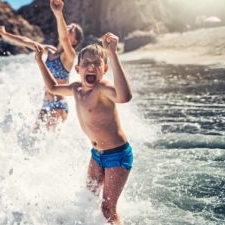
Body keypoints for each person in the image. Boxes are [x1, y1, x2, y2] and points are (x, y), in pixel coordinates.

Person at [33, 32, 133, 225]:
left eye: (97, 63)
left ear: (104, 69)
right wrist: (40, 62)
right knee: (87, 201)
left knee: (107, 208)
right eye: (86, 63)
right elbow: (53, 87)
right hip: (97, 154)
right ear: (77, 69)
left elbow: (124, 97)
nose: (91, 66)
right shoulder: (76, 88)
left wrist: (112, 54)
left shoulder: (102, 87)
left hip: (117, 155)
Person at [0, 0, 83, 131]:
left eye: (70, 29)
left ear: (74, 41)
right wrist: (6, 35)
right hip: (45, 103)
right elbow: (28, 42)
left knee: (48, 140)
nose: (67, 28)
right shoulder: (49, 50)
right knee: (35, 139)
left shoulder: (69, 56)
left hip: (59, 105)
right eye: (67, 26)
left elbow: (64, 39)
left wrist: (58, 13)